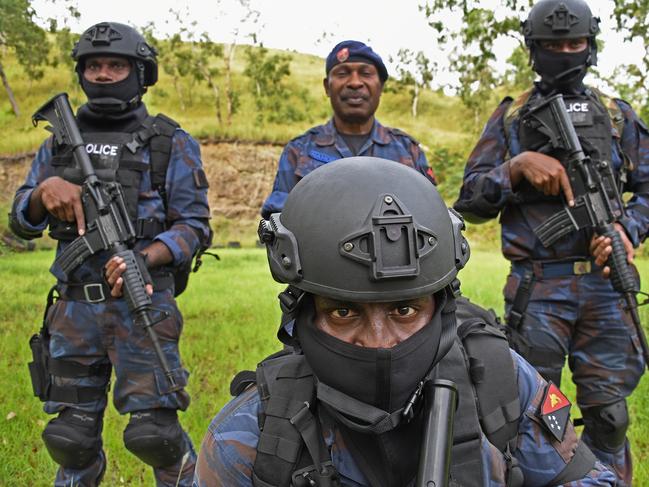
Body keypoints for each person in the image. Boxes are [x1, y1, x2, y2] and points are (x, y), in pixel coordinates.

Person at [194, 157, 615, 487]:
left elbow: (586, 479)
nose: (380, 342)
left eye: (405, 311)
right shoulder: (252, 438)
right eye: (343, 312)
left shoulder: (498, 381)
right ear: (301, 316)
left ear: (442, 307)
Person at [453, 1, 649, 484]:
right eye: (551, 46)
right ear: (534, 50)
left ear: (590, 46)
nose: (564, 53)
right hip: (537, 291)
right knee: (531, 416)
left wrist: (627, 230)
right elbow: (470, 199)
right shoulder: (511, 119)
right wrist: (515, 169)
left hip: (605, 289)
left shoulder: (617, 117)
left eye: (574, 44)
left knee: (610, 417)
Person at [10, 22, 211, 486]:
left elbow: (195, 227)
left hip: (143, 309)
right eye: (94, 66)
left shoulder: (169, 142)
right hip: (74, 310)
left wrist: (149, 257)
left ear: (141, 73)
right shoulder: (57, 142)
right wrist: (43, 192)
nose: (103, 74)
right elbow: (20, 221)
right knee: (71, 438)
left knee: (156, 435)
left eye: (115, 65)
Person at [260, 40, 435, 219]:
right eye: (343, 74)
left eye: (366, 73)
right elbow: (278, 224)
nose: (355, 83)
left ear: (381, 86)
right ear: (327, 87)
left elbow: (431, 216)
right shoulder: (299, 151)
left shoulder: (408, 151)